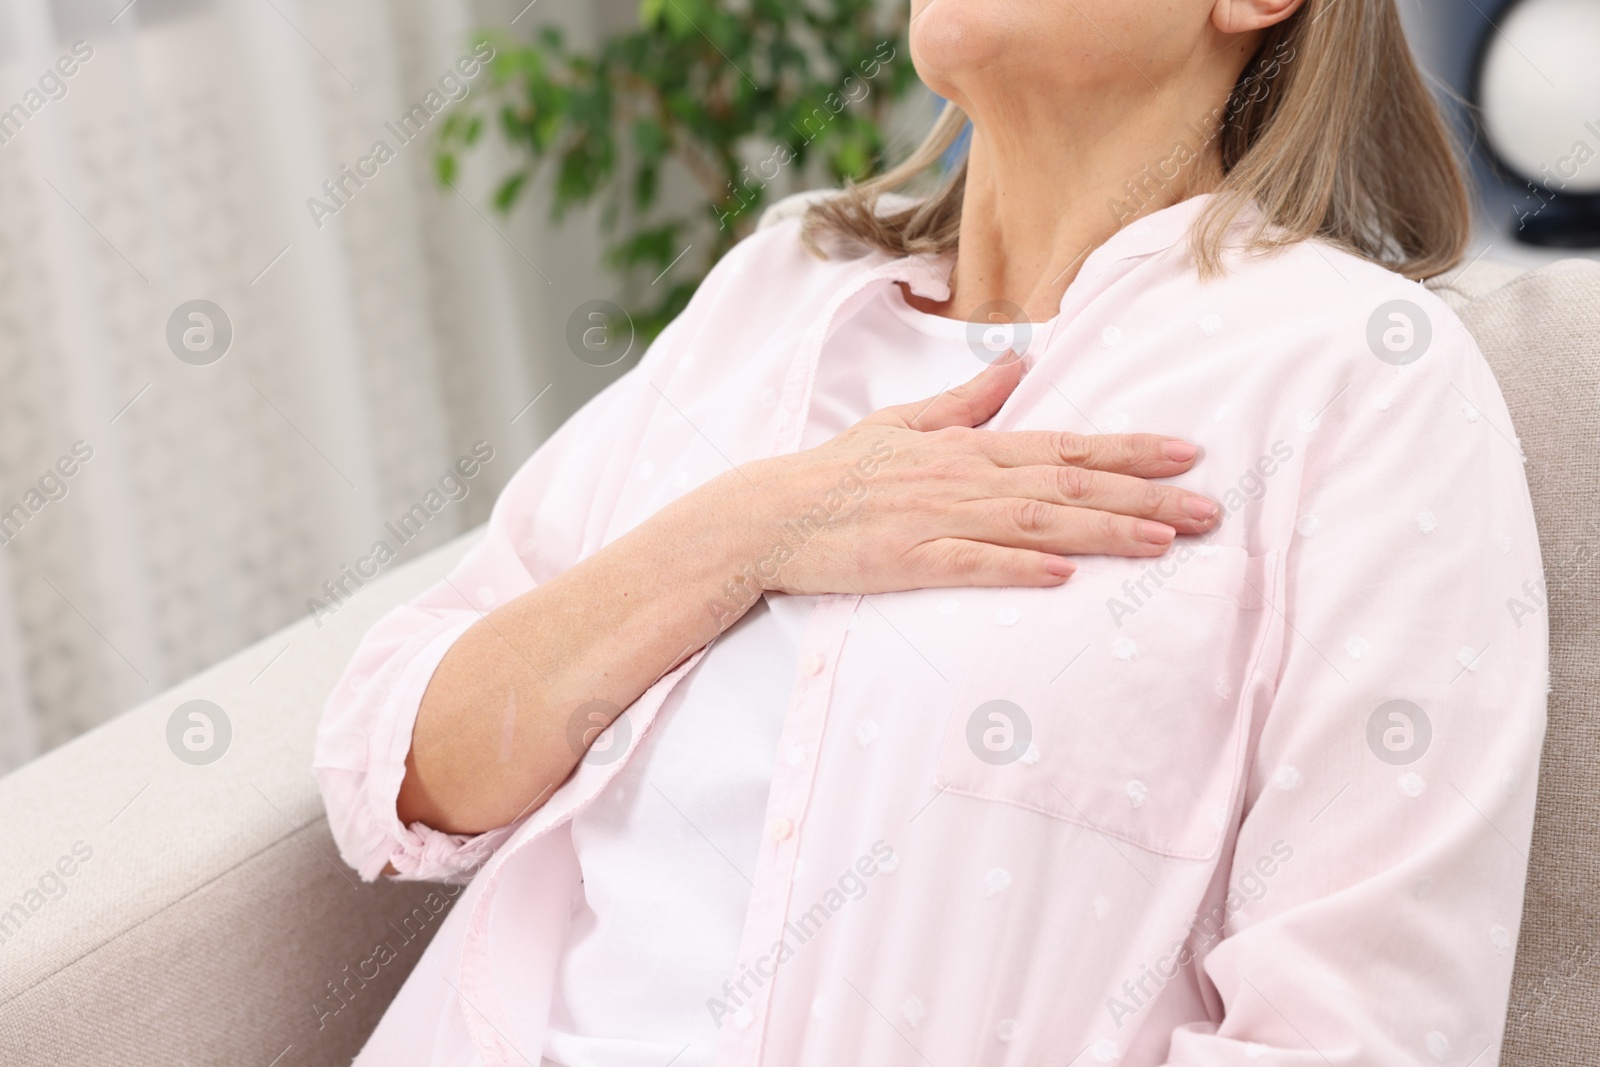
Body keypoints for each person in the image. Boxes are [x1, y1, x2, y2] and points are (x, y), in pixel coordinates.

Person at [316, 0, 1549, 1063]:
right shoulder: (778, 287)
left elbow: (1358, 1033)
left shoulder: (1357, 375)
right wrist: (761, 523)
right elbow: (402, 761)